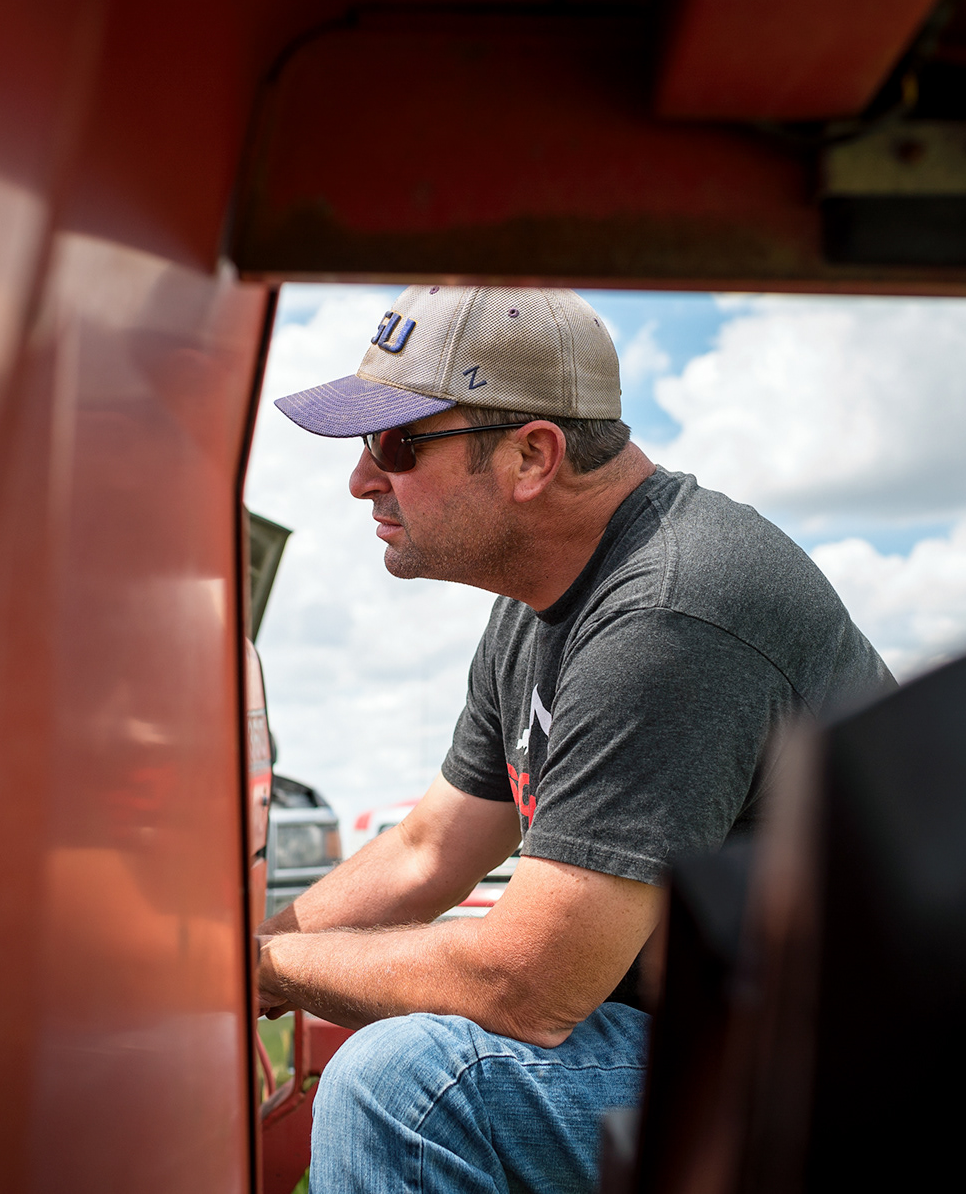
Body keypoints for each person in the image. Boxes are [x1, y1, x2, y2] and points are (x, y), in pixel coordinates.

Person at [259, 285, 892, 1193]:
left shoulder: (670, 612)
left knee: (409, 1086)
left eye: (395, 444)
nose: (361, 479)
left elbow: (530, 988)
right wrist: (248, 958)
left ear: (532, 455)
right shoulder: (538, 603)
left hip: (835, 1074)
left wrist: (270, 965)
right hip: (708, 1036)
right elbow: (428, 849)